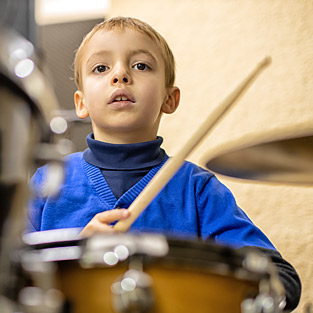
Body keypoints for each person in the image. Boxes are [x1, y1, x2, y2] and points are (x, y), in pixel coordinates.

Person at [28, 16, 301, 310]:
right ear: (80, 103)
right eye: (101, 68)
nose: (120, 74)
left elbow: (276, 277)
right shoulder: (47, 182)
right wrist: (74, 256)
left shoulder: (198, 189)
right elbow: (11, 278)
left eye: (141, 65)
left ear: (169, 99)